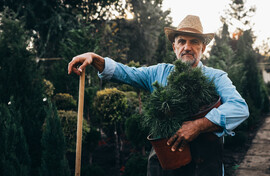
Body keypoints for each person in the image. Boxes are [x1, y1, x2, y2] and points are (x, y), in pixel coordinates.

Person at [68, 15, 249, 176]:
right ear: (174, 46)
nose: (187, 47)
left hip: (204, 168)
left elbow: (239, 108)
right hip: (165, 167)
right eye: (182, 41)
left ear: (203, 47)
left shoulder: (216, 77)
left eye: (194, 42)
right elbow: (126, 73)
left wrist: (199, 125)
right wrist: (94, 58)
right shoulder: (159, 73)